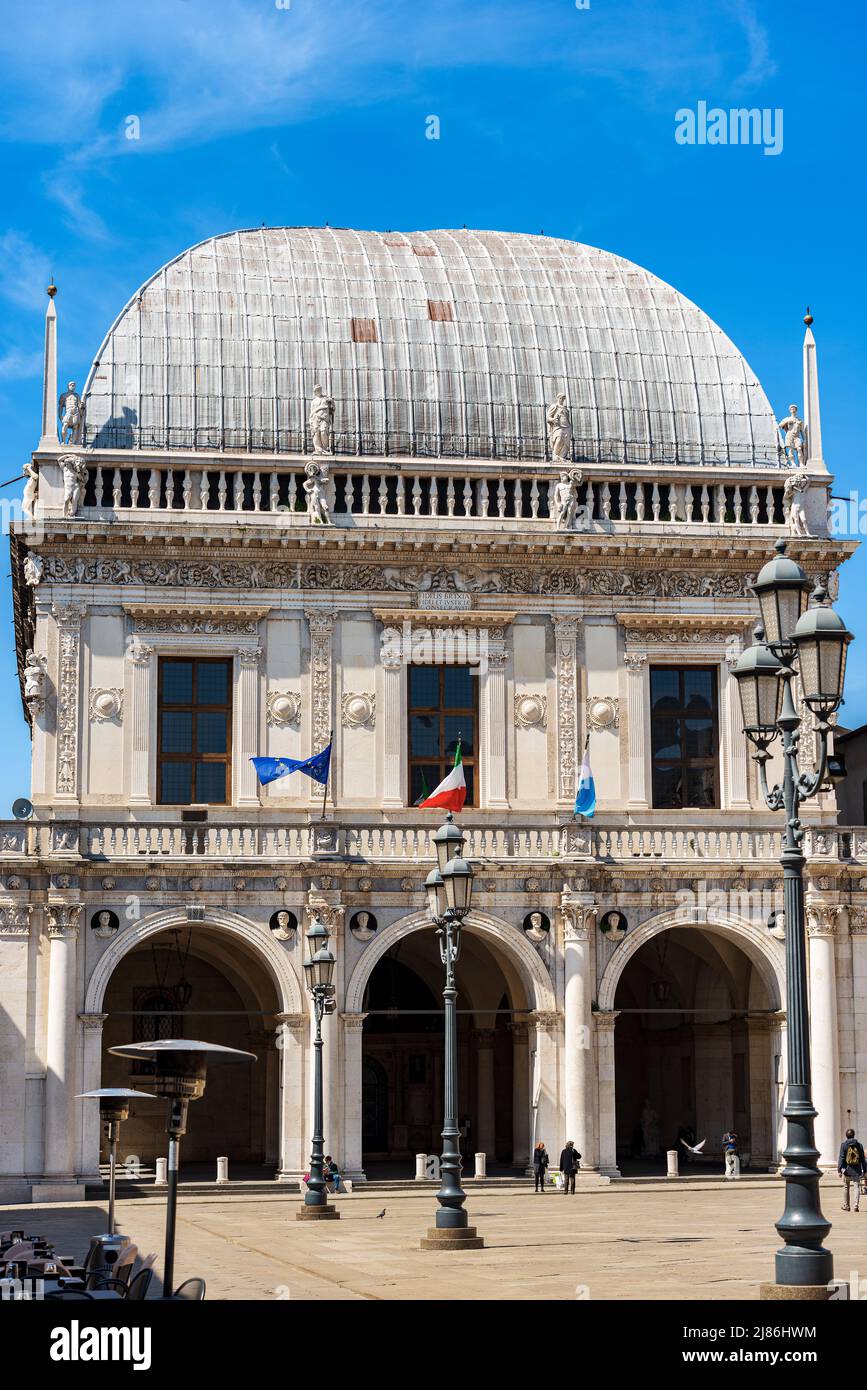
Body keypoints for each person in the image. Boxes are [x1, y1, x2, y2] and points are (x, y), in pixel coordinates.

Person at [837, 1129, 866, 1212]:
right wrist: (865, 1170)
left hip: (846, 1170)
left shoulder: (844, 1145)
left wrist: (839, 1170)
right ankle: (856, 1206)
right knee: (856, 1187)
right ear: (854, 1135)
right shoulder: (859, 1145)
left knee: (846, 1187)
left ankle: (847, 1206)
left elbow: (841, 1158)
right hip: (857, 1170)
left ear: (846, 1136)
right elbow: (863, 1159)